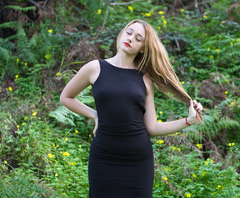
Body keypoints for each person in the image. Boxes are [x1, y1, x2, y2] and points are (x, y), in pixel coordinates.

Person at [59, 19, 203, 198]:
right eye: (129, 32)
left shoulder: (145, 79)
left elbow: (152, 127)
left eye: (138, 38)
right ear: (122, 33)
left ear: (143, 48)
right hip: (103, 157)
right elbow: (66, 97)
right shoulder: (95, 68)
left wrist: (188, 121)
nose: (131, 38)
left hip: (137, 162)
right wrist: (95, 115)